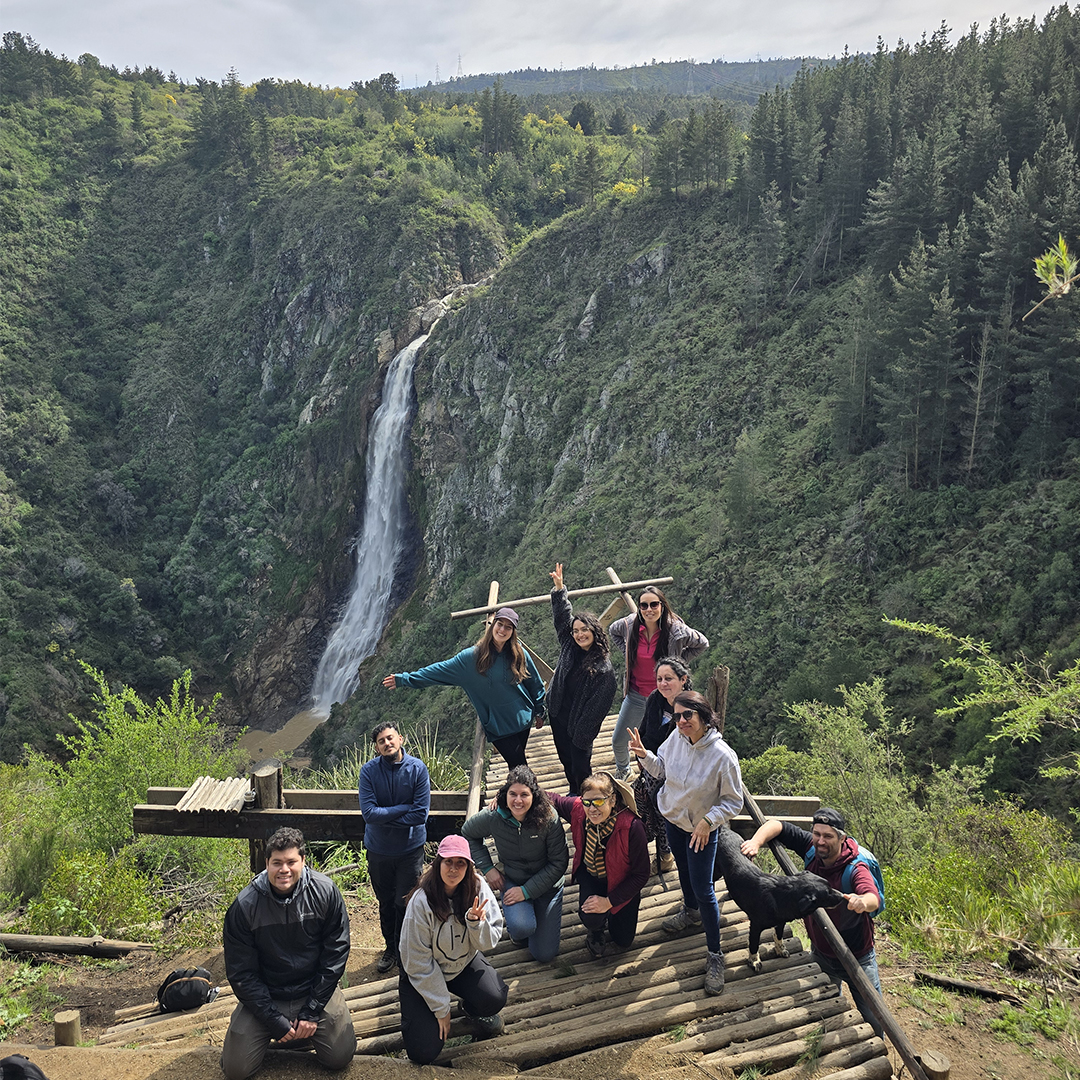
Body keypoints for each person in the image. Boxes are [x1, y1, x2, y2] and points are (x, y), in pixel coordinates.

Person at [628, 691, 742, 996]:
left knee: (705, 888)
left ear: (704, 716)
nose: (681, 721)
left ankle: (716, 955)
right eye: (676, 716)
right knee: (683, 870)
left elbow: (734, 801)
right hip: (674, 820)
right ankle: (690, 911)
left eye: (687, 715)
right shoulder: (676, 740)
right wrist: (643, 755)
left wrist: (708, 820)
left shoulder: (723, 756)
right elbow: (662, 769)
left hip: (701, 830)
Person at [221, 827, 356, 1080]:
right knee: (236, 1070)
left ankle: (305, 1027)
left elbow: (336, 953)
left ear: (303, 861)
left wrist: (312, 1009)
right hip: (268, 993)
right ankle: (263, 1032)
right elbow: (241, 973)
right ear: (266, 864)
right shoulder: (245, 906)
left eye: (291, 862)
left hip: (313, 990)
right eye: (277, 863)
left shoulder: (325, 892)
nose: (284, 869)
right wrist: (273, 1020)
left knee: (340, 1057)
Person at [740, 807, 884, 1035]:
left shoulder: (855, 866)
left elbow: (872, 895)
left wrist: (862, 902)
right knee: (829, 1006)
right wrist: (756, 842)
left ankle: (882, 1058)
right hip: (821, 952)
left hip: (857, 956)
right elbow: (778, 825)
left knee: (874, 1015)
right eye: (817, 834)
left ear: (842, 838)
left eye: (827, 836)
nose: (820, 841)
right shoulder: (812, 849)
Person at [383, 607, 545, 769]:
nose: (502, 630)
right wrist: (404, 679)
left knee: (517, 766)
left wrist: (539, 710)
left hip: (522, 719)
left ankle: (514, 793)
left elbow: (534, 683)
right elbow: (436, 671)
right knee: (520, 767)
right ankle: (526, 794)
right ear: (492, 624)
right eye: (499, 624)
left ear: (513, 631)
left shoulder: (519, 653)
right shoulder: (471, 658)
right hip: (498, 725)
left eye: (508, 627)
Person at [398, 835, 508, 1065]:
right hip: (423, 971)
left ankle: (470, 1009)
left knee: (494, 996)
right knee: (422, 1052)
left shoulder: (478, 887)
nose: (453, 868)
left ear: (468, 866)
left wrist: (476, 924)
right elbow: (416, 960)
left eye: (461, 863)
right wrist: (441, 1007)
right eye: (448, 861)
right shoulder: (421, 900)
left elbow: (489, 942)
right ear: (438, 863)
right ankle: (424, 1013)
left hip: (462, 963)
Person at [462, 764, 569, 963]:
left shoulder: (549, 818)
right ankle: (521, 925)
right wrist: (487, 868)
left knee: (544, 955)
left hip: (548, 887)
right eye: (513, 794)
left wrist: (527, 892)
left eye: (524, 795)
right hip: (513, 878)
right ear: (505, 794)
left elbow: (559, 862)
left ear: (534, 796)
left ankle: (535, 912)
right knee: (522, 928)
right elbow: (468, 833)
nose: (518, 801)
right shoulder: (495, 816)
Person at [609, 586, 708, 780]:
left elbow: (702, 643)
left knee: (665, 741)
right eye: (643, 605)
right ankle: (624, 769)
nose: (649, 609)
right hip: (637, 694)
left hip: (666, 697)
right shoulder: (630, 625)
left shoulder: (675, 629)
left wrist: (679, 662)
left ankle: (662, 776)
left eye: (654, 604)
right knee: (619, 740)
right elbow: (613, 632)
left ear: (662, 606)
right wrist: (628, 653)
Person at [549, 772, 650, 959]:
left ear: (612, 800)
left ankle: (612, 913)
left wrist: (609, 902)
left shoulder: (632, 826)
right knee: (591, 917)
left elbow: (641, 875)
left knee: (623, 940)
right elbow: (553, 799)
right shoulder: (580, 809)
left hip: (622, 882)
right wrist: (508, 795)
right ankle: (595, 930)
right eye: (587, 802)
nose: (591, 808)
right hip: (592, 875)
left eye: (598, 802)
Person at [358, 721, 431, 973]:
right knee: (386, 901)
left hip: (410, 850)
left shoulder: (418, 769)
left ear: (401, 739)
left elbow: (420, 814)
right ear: (376, 747)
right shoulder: (368, 772)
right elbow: (369, 813)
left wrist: (386, 815)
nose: (387, 743)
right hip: (378, 850)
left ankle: (405, 947)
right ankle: (391, 948)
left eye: (390, 738)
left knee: (406, 901)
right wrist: (404, 809)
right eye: (381, 741)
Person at [546, 562, 618, 793]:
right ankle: (573, 790)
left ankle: (585, 795)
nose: (579, 634)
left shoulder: (603, 668)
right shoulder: (569, 646)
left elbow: (597, 708)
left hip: (580, 725)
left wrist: (581, 736)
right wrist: (559, 589)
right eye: (576, 630)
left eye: (584, 630)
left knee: (580, 763)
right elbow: (562, 617)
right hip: (559, 713)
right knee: (565, 759)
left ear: (594, 632)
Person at [632, 656, 693, 875]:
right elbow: (645, 729)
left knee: (664, 812)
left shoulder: (690, 709)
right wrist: (642, 756)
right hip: (650, 765)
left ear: (683, 679)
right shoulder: (656, 699)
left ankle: (667, 855)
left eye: (669, 678)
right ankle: (661, 852)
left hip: (677, 773)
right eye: (659, 679)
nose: (663, 684)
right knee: (651, 809)